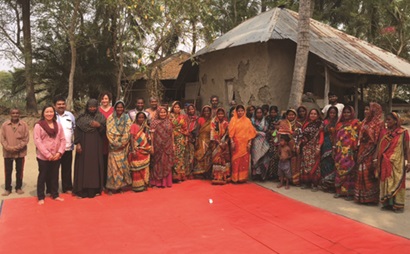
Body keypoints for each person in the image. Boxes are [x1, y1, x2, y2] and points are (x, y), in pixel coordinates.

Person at [375, 112, 410, 213]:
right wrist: (376, 159)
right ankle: (387, 203)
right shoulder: (385, 133)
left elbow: (407, 148)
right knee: (386, 181)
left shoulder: (403, 132)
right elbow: (379, 146)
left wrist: (408, 162)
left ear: (396, 121)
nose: (387, 122)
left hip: (397, 162)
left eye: (389, 120)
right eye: (386, 120)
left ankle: (398, 205)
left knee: (397, 182)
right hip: (385, 162)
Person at [74, 99, 106, 198]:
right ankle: (81, 190)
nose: (92, 108)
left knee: (94, 167)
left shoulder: (100, 117)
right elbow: (77, 130)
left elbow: (104, 131)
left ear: (97, 107)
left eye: (94, 107)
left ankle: (94, 190)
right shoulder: (81, 117)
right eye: (90, 107)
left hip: (96, 146)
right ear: (87, 107)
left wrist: (99, 125)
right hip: (83, 145)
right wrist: (78, 143)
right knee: (83, 166)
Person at [34, 105, 66, 205]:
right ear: (43, 113)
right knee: (43, 176)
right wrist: (48, 155)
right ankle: (40, 196)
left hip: (56, 155)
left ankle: (55, 194)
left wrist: (59, 152)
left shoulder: (58, 125)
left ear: (54, 113)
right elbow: (37, 141)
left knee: (55, 175)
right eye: (47, 112)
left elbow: (63, 139)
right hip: (43, 157)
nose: (49, 114)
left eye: (51, 112)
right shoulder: (38, 126)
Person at [355, 103, 383, 205]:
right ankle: (362, 197)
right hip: (362, 149)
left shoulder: (379, 123)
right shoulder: (364, 122)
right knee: (360, 171)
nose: (366, 112)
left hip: (372, 151)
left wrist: (376, 155)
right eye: (365, 109)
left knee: (369, 173)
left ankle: (371, 198)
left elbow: (379, 140)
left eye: (368, 109)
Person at [1, 108, 29, 196]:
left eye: (17, 113)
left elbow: (26, 139)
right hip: (7, 152)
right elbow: (2, 138)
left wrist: (16, 148)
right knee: (8, 171)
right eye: (13, 113)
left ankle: (18, 187)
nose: (15, 115)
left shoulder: (24, 125)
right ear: (10, 114)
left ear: (19, 114)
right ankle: (8, 188)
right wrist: (8, 147)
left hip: (20, 152)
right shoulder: (5, 125)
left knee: (19, 170)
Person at [334, 106, 360, 200]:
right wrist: (334, 148)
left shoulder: (356, 123)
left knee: (350, 172)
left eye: (348, 112)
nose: (346, 114)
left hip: (350, 151)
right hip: (339, 151)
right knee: (339, 169)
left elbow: (358, 137)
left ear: (352, 113)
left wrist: (356, 149)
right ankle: (339, 191)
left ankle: (349, 193)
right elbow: (335, 138)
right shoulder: (339, 124)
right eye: (344, 112)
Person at [106, 101, 132, 193]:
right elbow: (109, 132)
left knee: (122, 167)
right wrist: (117, 143)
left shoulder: (127, 118)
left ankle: (120, 186)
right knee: (113, 168)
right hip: (113, 148)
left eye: (121, 107)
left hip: (123, 148)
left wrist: (124, 143)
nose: (119, 109)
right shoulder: (110, 118)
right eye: (118, 107)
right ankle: (112, 187)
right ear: (115, 108)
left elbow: (129, 130)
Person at [229, 105, 256, 183]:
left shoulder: (247, 120)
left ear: (244, 111)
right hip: (236, 143)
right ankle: (235, 178)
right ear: (236, 112)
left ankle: (242, 178)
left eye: (242, 111)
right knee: (235, 160)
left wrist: (250, 142)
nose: (240, 112)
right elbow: (230, 132)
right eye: (239, 111)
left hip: (245, 144)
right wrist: (232, 142)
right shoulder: (233, 120)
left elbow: (251, 132)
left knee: (244, 161)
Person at [54, 97, 76, 194]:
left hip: (68, 147)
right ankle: (52, 189)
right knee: (54, 169)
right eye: (59, 104)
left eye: (63, 104)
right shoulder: (51, 115)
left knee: (67, 169)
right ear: (55, 105)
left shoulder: (70, 115)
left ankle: (67, 188)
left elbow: (74, 128)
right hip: (55, 149)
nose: (61, 106)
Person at [300, 109, 324, 191]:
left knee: (315, 165)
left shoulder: (320, 124)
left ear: (318, 115)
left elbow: (321, 136)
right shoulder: (306, 124)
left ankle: (315, 184)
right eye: (311, 114)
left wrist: (319, 147)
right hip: (306, 147)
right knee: (306, 164)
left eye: (315, 114)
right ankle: (307, 182)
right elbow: (302, 135)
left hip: (315, 147)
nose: (313, 115)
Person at [150, 106, 174, 188]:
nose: (163, 114)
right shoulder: (154, 122)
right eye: (161, 112)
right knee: (157, 164)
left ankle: (166, 182)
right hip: (157, 146)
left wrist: (173, 144)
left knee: (166, 163)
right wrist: (152, 146)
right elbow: (152, 135)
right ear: (158, 113)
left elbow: (172, 134)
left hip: (168, 146)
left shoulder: (169, 122)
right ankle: (157, 183)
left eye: (164, 112)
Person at [129, 112, 151, 192]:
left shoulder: (146, 128)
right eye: (139, 117)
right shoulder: (134, 126)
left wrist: (147, 147)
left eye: (143, 118)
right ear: (136, 118)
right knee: (136, 169)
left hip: (144, 150)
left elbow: (148, 138)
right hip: (136, 149)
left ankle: (144, 184)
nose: (141, 119)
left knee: (144, 168)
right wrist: (133, 149)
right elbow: (131, 138)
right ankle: (137, 186)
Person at [320, 106, 338, 192]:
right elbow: (321, 133)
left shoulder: (338, 122)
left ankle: (332, 185)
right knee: (325, 163)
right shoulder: (324, 122)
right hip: (325, 144)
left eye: (334, 113)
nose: (332, 114)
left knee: (332, 163)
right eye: (331, 113)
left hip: (334, 144)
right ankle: (325, 184)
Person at [169, 101, 189, 182]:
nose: (177, 109)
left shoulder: (183, 117)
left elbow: (185, 128)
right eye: (175, 107)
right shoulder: (169, 116)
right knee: (173, 156)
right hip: (171, 138)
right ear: (172, 108)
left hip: (181, 138)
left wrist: (186, 138)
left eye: (178, 107)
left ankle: (180, 175)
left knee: (180, 157)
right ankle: (173, 176)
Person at [210, 108, 231, 184]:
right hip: (216, 145)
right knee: (217, 160)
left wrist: (225, 142)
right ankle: (217, 177)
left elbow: (229, 134)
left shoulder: (226, 123)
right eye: (219, 114)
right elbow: (213, 134)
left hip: (225, 145)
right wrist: (219, 143)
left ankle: (224, 176)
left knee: (224, 161)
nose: (220, 115)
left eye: (222, 114)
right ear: (217, 114)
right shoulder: (213, 122)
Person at [98, 91, 114, 187]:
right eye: (103, 98)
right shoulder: (98, 110)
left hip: (111, 139)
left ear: (109, 100)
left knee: (110, 161)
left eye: (106, 98)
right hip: (100, 139)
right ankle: (101, 182)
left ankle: (110, 182)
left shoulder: (113, 110)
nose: (104, 100)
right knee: (102, 160)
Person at [251, 107, 270, 181]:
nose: (259, 114)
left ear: (262, 113)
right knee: (255, 158)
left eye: (260, 112)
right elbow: (250, 130)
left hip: (264, 142)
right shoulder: (252, 121)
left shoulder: (266, 121)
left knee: (264, 158)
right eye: (257, 112)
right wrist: (258, 132)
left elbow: (268, 130)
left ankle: (262, 175)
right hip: (255, 142)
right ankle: (255, 174)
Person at [193, 105, 213, 178]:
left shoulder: (212, 120)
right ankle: (199, 173)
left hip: (209, 140)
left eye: (208, 111)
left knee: (208, 156)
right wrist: (197, 139)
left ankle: (207, 173)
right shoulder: (200, 119)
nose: (206, 112)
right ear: (203, 112)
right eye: (205, 111)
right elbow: (197, 130)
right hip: (201, 139)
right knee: (200, 155)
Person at [266, 106, 281, 180]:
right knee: (269, 157)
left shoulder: (280, 119)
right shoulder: (267, 119)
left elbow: (279, 129)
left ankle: (275, 175)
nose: (273, 114)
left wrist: (274, 133)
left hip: (277, 141)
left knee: (275, 158)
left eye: (274, 112)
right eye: (271, 112)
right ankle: (269, 174)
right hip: (268, 140)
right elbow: (266, 129)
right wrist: (270, 132)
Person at [185, 104, 198, 178]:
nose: (190, 111)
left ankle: (192, 172)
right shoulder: (185, 118)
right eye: (189, 109)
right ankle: (186, 172)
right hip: (185, 138)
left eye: (192, 109)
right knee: (186, 155)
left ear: (194, 110)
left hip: (193, 139)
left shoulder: (197, 119)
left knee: (192, 156)